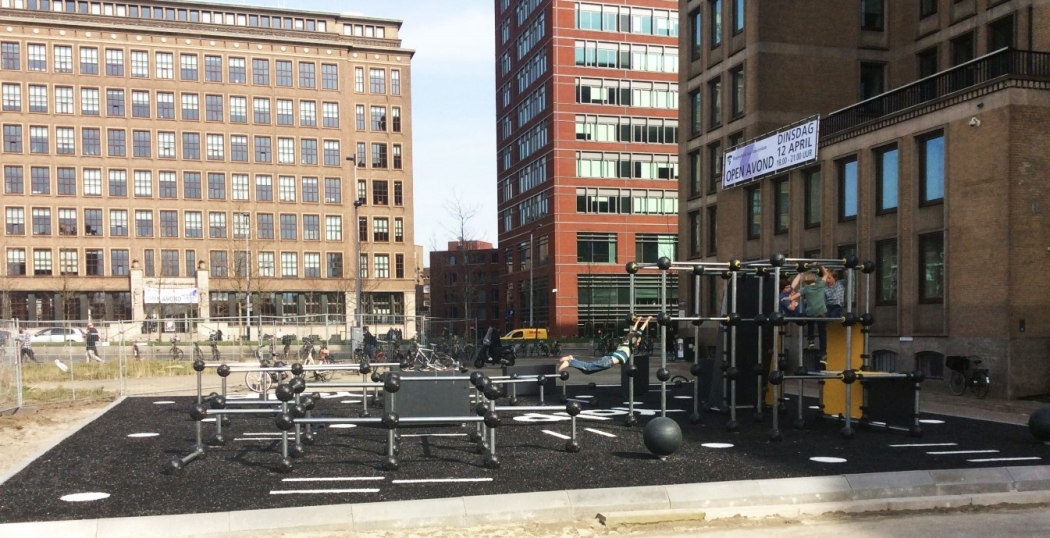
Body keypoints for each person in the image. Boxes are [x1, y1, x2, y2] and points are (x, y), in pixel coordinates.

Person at [559, 316, 652, 374]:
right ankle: (570, 361)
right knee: (587, 368)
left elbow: (632, 331)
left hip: (608, 361)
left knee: (587, 371)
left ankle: (572, 360)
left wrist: (638, 320)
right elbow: (638, 332)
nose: (638, 343)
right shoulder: (630, 344)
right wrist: (647, 320)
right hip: (608, 361)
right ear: (634, 340)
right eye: (638, 341)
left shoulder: (626, 342)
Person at [793, 267, 828, 355]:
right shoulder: (820, 284)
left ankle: (811, 340)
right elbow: (826, 275)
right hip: (821, 312)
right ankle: (823, 352)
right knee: (822, 332)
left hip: (811, 312)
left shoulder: (806, 288)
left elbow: (796, 296)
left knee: (810, 325)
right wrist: (821, 266)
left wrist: (788, 298)